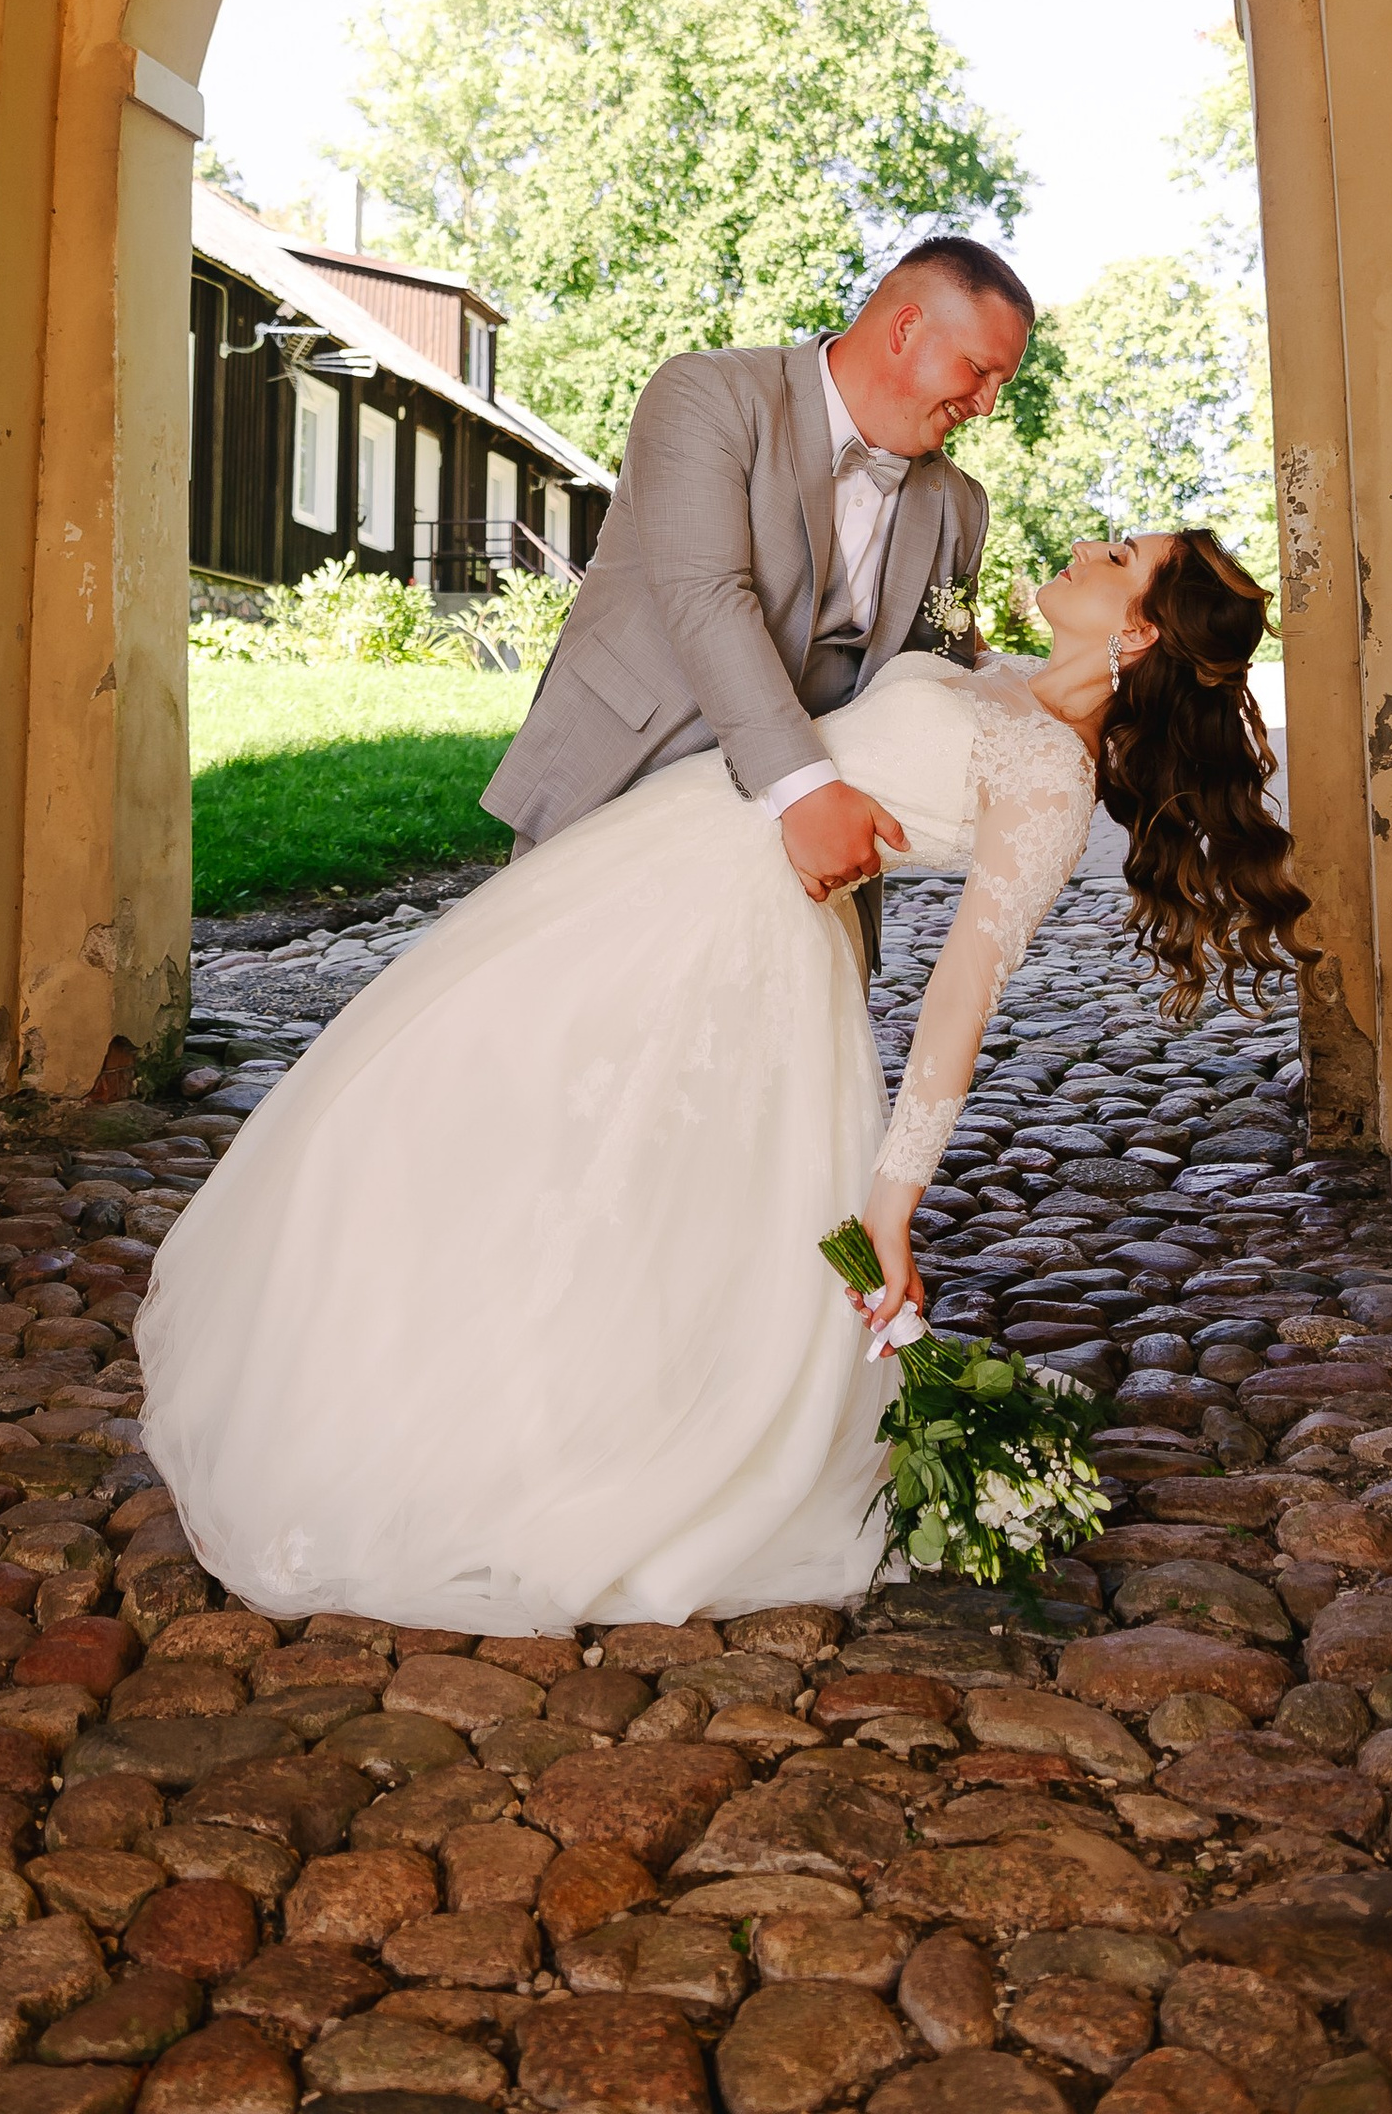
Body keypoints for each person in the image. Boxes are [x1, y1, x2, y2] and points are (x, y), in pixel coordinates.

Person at [137, 519, 1303, 1634]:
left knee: (624, 1180)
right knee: (461, 1098)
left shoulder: (1050, 773)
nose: (1084, 550)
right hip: (651, 860)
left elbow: (962, 995)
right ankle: (386, 1397)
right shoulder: (989, 670)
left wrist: (889, 1203)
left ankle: (550, 1447)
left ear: (1139, 633)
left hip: (740, 947)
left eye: (1117, 559)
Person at [481, 236, 1037, 964]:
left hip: (783, 866)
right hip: (627, 773)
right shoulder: (706, 395)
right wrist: (803, 792)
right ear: (906, 328)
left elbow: (931, 677)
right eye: (979, 370)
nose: (989, 405)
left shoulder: (960, 507)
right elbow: (706, 598)